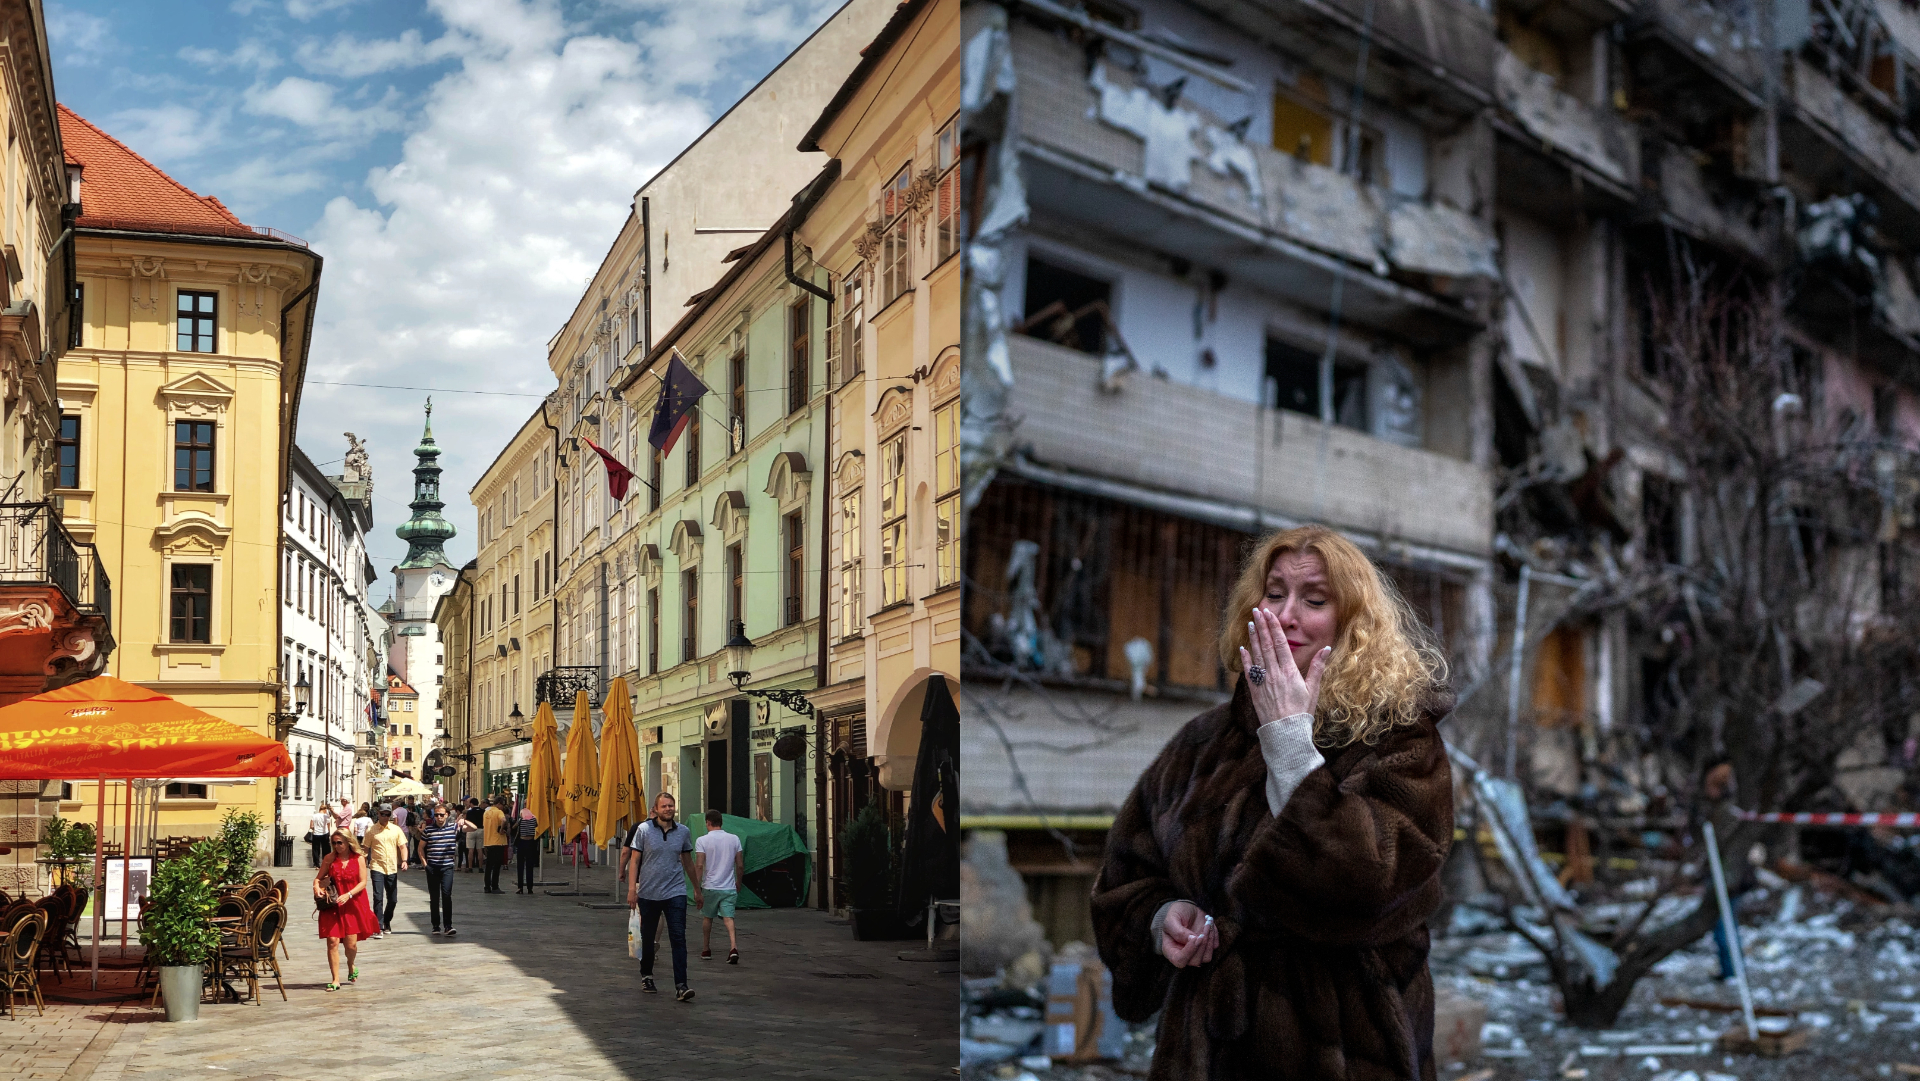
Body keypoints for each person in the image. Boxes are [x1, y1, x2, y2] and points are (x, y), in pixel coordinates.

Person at [1090, 526, 1454, 1080]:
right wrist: (1163, 919)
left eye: (1314, 599)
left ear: (1353, 622)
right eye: (1274, 593)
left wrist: (1288, 741)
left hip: (1346, 1049)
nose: (1286, 615)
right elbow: (1125, 875)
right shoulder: (1203, 742)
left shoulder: (1401, 739)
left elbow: (1372, 881)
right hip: (1207, 1053)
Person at [626, 792, 697, 1001]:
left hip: (675, 891)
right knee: (648, 938)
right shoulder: (644, 830)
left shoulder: (683, 832)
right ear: (655, 809)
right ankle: (646, 975)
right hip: (648, 892)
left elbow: (688, 862)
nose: (668, 809)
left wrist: (697, 889)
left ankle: (681, 985)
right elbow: (635, 861)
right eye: (664, 806)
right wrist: (632, 889)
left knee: (678, 937)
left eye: (671, 805)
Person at [314, 829, 379, 991]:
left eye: (340, 843)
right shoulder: (330, 858)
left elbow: (363, 882)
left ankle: (351, 964)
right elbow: (318, 878)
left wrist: (348, 895)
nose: (337, 846)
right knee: (332, 941)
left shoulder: (359, 859)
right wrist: (317, 887)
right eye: (334, 843)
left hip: (353, 905)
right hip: (333, 905)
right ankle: (335, 979)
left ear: (348, 842)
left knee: (351, 945)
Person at [694, 809, 745, 964]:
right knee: (729, 918)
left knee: (708, 917)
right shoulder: (734, 839)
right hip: (729, 886)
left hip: (710, 886)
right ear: (721, 822)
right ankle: (733, 947)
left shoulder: (702, 840)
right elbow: (740, 865)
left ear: (708, 823)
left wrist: (697, 888)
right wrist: (739, 882)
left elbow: (699, 865)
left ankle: (706, 948)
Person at [419, 803, 476, 935]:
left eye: (441, 814)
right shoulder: (429, 829)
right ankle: (435, 926)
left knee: (446, 895)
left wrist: (464, 820)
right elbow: (420, 848)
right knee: (434, 897)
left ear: (447, 815)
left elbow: (474, 828)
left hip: (447, 867)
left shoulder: (453, 827)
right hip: (432, 867)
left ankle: (448, 925)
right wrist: (425, 864)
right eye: (436, 814)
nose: (439, 817)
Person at [361, 805, 408, 937]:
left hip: (392, 867)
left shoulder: (396, 829)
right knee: (378, 897)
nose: (385, 817)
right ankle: (378, 927)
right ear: (378, 814)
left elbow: (403, 846)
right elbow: (365, 849)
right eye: (383, 814)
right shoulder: (371, 830)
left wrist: (404, 860)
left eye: (388, 815)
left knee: (393, 900)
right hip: (377, 866)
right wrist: (361, 865)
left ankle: (386, 921)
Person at [482, 795, 511, 893]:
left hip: (488, 841)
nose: (503, 807)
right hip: (498, 842)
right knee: (497, 866)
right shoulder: (499, 812)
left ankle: (487, 886)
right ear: (499, 804)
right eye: (502, 805)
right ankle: (495, 886)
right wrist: (502, 829)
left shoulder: (486, 812)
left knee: (489, 865)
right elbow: (503, 820)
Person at [514, 802, 541, 894]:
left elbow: (514, 827)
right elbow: (536, 825)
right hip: (531, 843)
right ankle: (530, 888)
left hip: (522, 843)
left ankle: (520, 887)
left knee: (520, 866)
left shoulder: (520, 820)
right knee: (530, 866)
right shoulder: (534, 820)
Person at [462, 797, 485, 872]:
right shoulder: (483, 811)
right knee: (480, 849)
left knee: (470, 850)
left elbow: (467, 821)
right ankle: (480, 867)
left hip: (471, 830)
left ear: (471, 804)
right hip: (481, 830)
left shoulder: (469, 812)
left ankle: (470, 867)